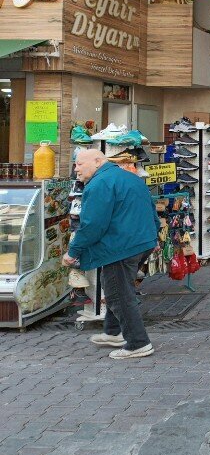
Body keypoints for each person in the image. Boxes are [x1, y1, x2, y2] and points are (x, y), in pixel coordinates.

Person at [62, 149, 160, 359]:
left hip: (120, 247)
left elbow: (92, 225)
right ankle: (114, 332)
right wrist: (153, 237)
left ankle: (138, 343)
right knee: (117, 288)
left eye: (80, 164)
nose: (76, 169)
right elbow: (152, 211)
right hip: (141, 242)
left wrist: (73, 252)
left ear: (98, 161)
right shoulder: (130, 177)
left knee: (118, 294)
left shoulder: (99, 184)